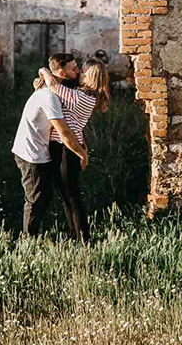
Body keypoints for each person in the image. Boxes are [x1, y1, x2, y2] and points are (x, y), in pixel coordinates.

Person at [10, 53, 88, 238]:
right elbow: (65, 132)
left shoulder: (51, 90)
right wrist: (82, 154)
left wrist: (44, 73)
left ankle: (33, 237)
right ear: (61, 73)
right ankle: (27, 241)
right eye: (74, 69)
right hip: (31, 153)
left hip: (37, 150)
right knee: (36, 199)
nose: (78, 71)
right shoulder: (49, 97)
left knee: (43, 196)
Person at [32, 57, 109, 243]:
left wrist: (43, 71)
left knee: (72, 196)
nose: (79, 73)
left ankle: (84, 239)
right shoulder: (81, 93)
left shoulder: (81, 97)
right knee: (67, 195)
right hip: (66, 147)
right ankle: (75, 236)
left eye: (83, 71)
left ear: (90, 76)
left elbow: (53, 85)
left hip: (67, 149)